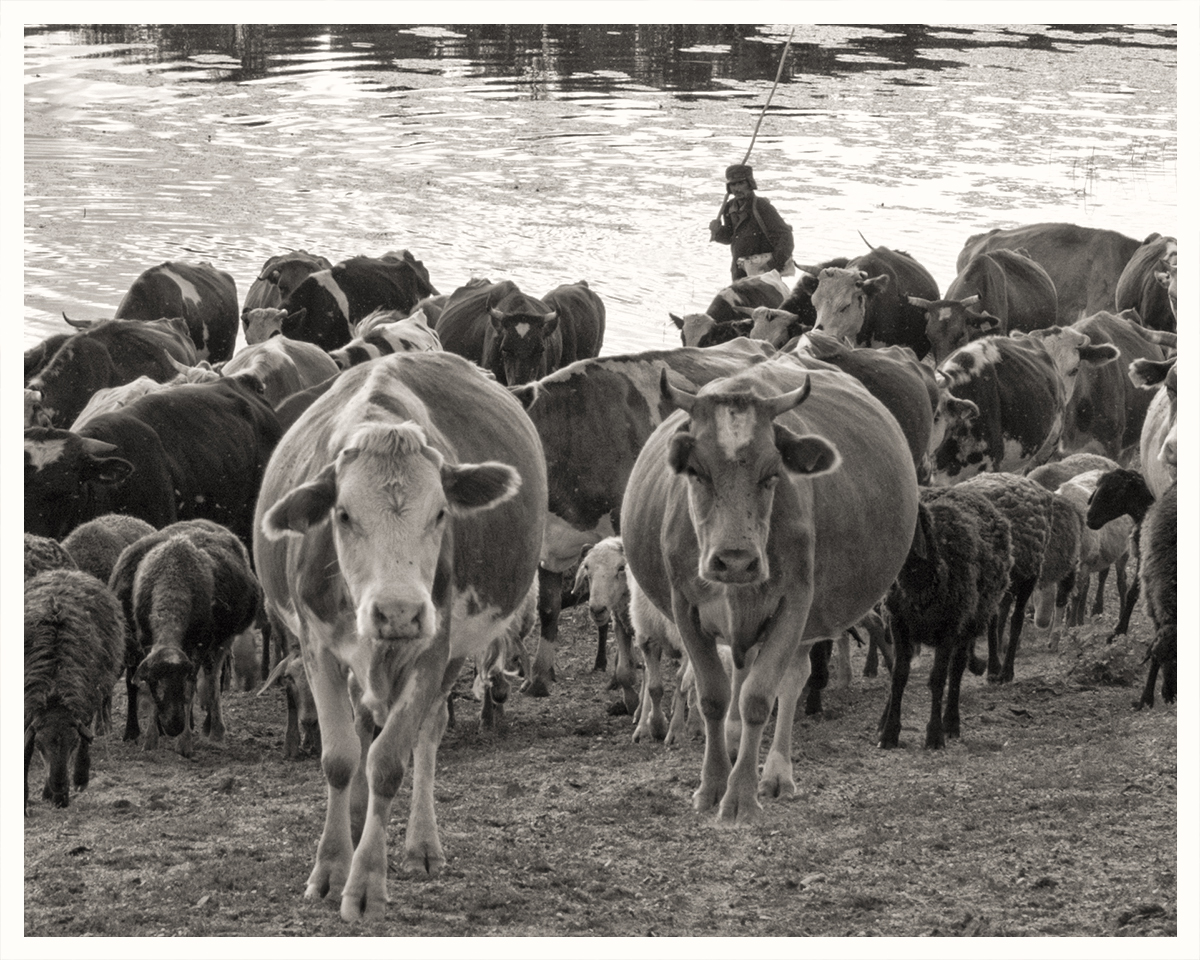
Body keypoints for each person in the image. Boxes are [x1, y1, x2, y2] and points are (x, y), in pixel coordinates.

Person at [708, 163, 794, 282]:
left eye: (741, 183)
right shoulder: (728, 208)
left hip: (764, 274)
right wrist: (717, 231)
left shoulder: (762, 207)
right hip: (739, 271)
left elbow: (786, 237)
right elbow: (729, 238)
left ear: (750, 184)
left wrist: (772, 265)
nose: (737, 189)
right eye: (733, 184)